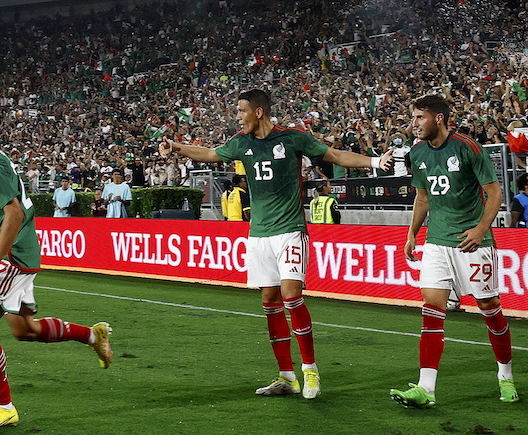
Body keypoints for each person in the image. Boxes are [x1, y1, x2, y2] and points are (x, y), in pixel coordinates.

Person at [160, 89, 390, 400]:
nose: (237, 117)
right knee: (270, 301)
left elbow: (334, 156)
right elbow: (211, 154)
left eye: (241, 111)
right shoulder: (241, 143)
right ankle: (287, 377)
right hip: (259, 234)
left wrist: (375, 162)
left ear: (258, 112)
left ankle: (310, 371)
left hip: (290, 230)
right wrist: (176, 147)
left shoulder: (293, 138)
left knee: (291, 296)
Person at [0, 101, 111, 430]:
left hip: (15, 252)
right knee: (24, 330)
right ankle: (92, 335)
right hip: (17, 250)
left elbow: (14, 215)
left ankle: (3, 407)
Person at [390, 95, 518, 408]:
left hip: (471, 242)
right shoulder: (417, 152)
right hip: (436, 243)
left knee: (490, 308)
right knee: (431, 311)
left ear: (440, 118)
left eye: (420, 117)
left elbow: (494, 192)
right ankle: (425, 389)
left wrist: (480, 230)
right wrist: (412, 234)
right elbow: (422, 198)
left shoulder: (467, 147)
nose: (415, 124)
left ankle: (506, 377)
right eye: (414, 117)